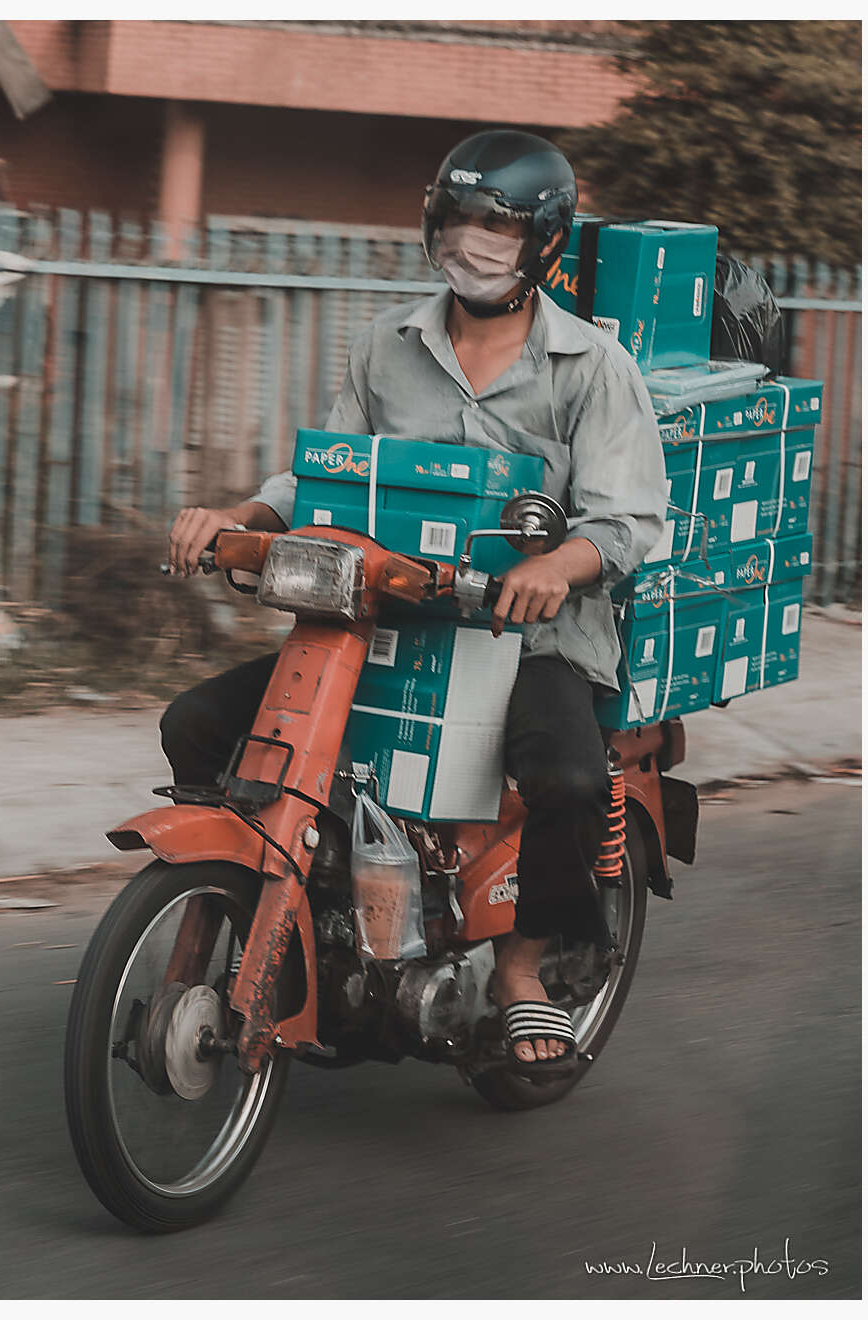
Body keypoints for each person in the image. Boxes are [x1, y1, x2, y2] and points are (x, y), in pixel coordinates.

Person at [160, 129, 667, 1076]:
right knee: (197, 724)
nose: (471, 242)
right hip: (387, 623)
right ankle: (295, 903)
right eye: (459, 220)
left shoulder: (594, 368)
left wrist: (560, 564)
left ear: (543, 245)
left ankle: (523, 972)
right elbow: (329, 474)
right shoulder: (388, 345)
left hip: (535, 638)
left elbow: (633, 518)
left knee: (565, 778)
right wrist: (243, 512)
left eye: (497, 227)